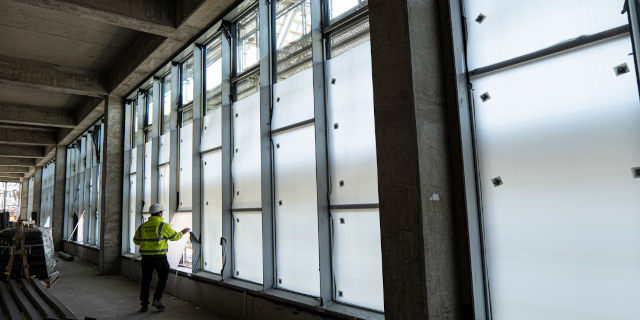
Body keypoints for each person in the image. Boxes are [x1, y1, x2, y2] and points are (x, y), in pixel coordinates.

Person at [133, 203, 190, 312]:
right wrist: (182, 232)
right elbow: (174, 237)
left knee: (146, 280)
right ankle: (157, 299)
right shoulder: (163, 226)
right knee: (163, 277)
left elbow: (136, 241)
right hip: (160, 258)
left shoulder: (143, 226)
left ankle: (144, 304)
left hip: (146, 258)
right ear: (160, 213)